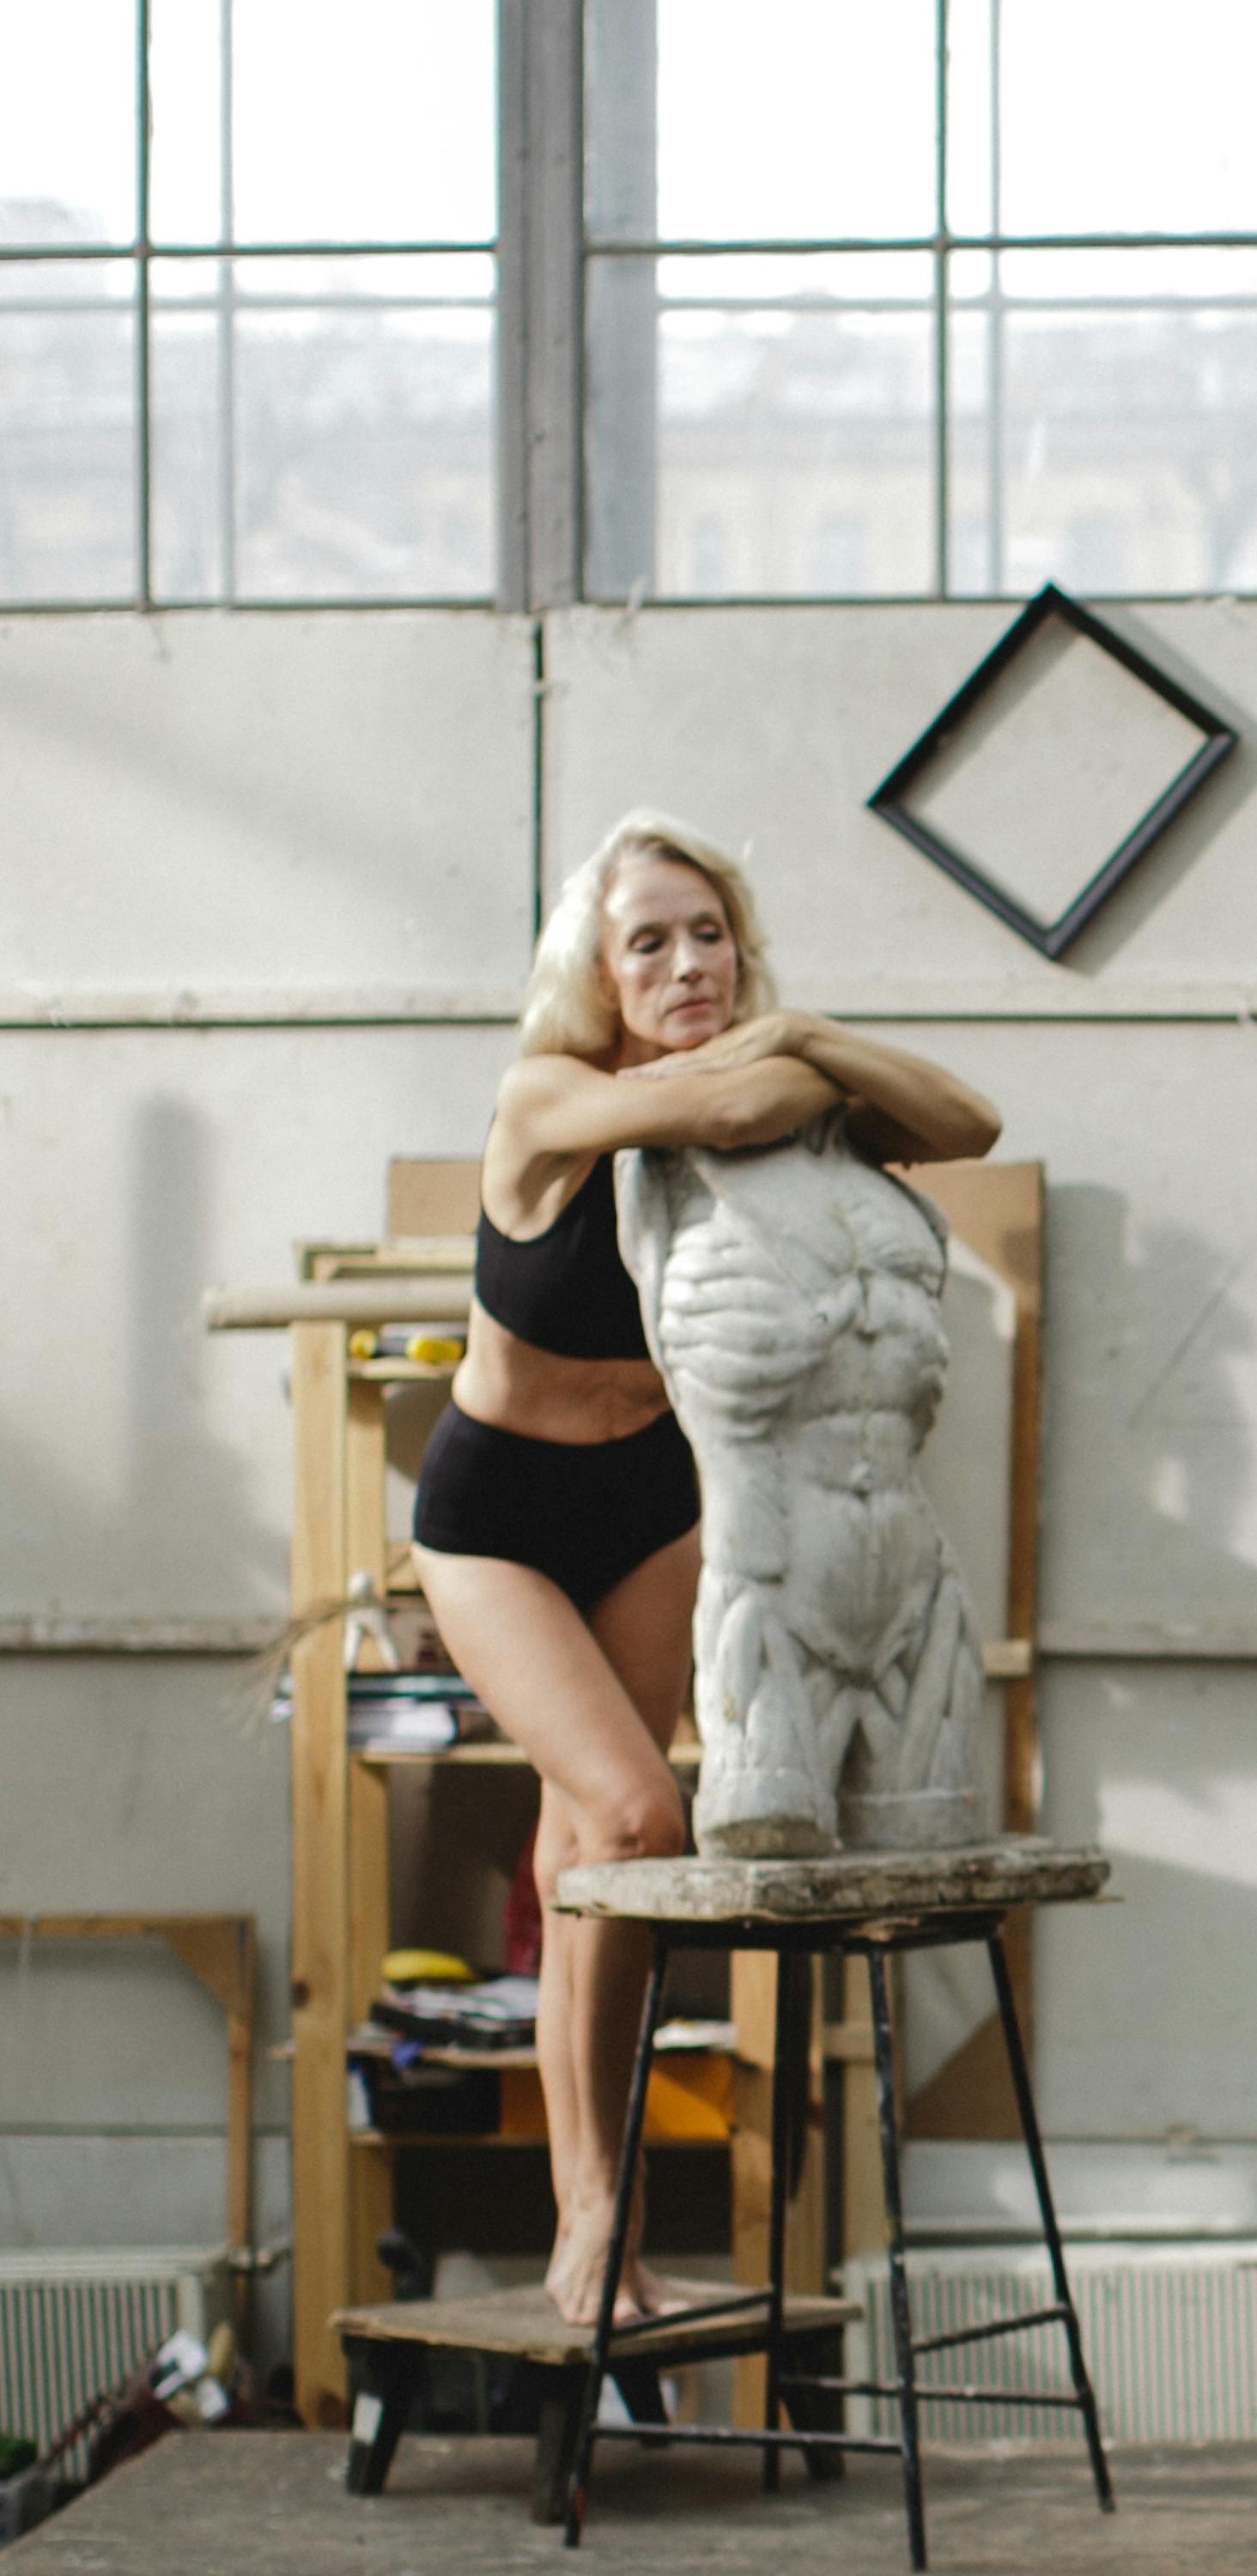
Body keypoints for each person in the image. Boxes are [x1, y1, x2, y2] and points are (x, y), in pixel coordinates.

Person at [410, 810, 999, 2324]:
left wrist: (802, 1031)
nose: (683, 962)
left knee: (588, 1854)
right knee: (632, 1810)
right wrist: (787, 1065)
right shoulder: (548, 1096)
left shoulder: (783, 1073)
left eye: (708, 934)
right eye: (646, 941)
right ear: (595, 974)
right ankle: (592, 2217)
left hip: (661, 1501)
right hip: (500, 1514)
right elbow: (723, 1115)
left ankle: (594, 2223)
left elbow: (968, 1119)